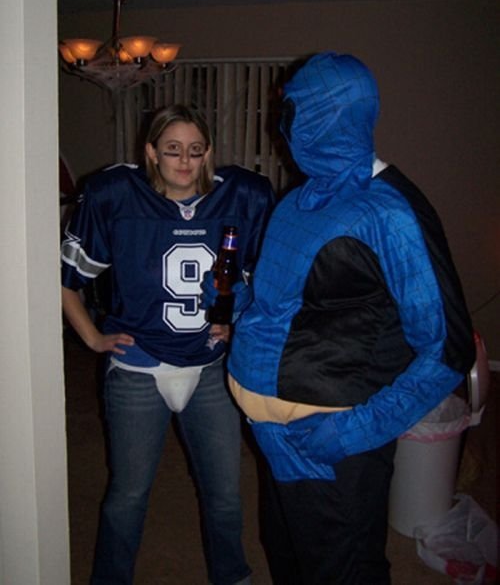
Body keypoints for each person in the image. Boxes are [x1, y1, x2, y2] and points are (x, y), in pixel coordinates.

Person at [224, 52, 475, 584]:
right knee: (287, 553)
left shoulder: (391, 212)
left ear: (329, 114)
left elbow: (448, 349)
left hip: (333, 443)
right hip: (271, 434)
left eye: (295, 113)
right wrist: (234, 302)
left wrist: (352, 432)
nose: (283, 128)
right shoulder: (298, 198)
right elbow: (285, 302)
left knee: (341, 568)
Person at [61, 104, 275, 585]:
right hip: (138, 368)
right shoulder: (116, 194)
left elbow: (273, 283)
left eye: (196, 150)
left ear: (209, 153)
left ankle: (232, 576)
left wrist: (240, 323)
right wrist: (92, 337)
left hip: (210, 368)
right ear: (151, 151)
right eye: (173, 149)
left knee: (225, 495)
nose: (185, 161)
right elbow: (66, 280)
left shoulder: (243, 195)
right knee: (127, 495)